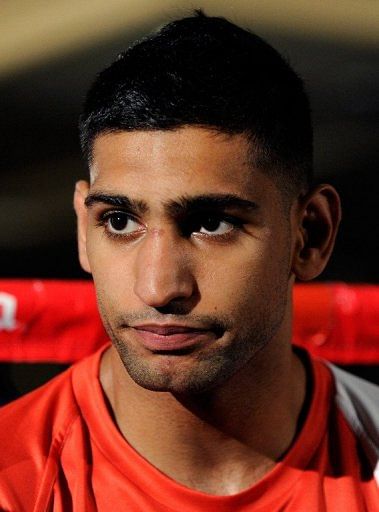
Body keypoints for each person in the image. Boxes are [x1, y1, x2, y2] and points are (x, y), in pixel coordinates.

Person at [0, 11, 378, 512]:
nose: (158, 287)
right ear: (83, 231)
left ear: (310, 234)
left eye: (211, 223)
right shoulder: (14, 481)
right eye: (118, 221)